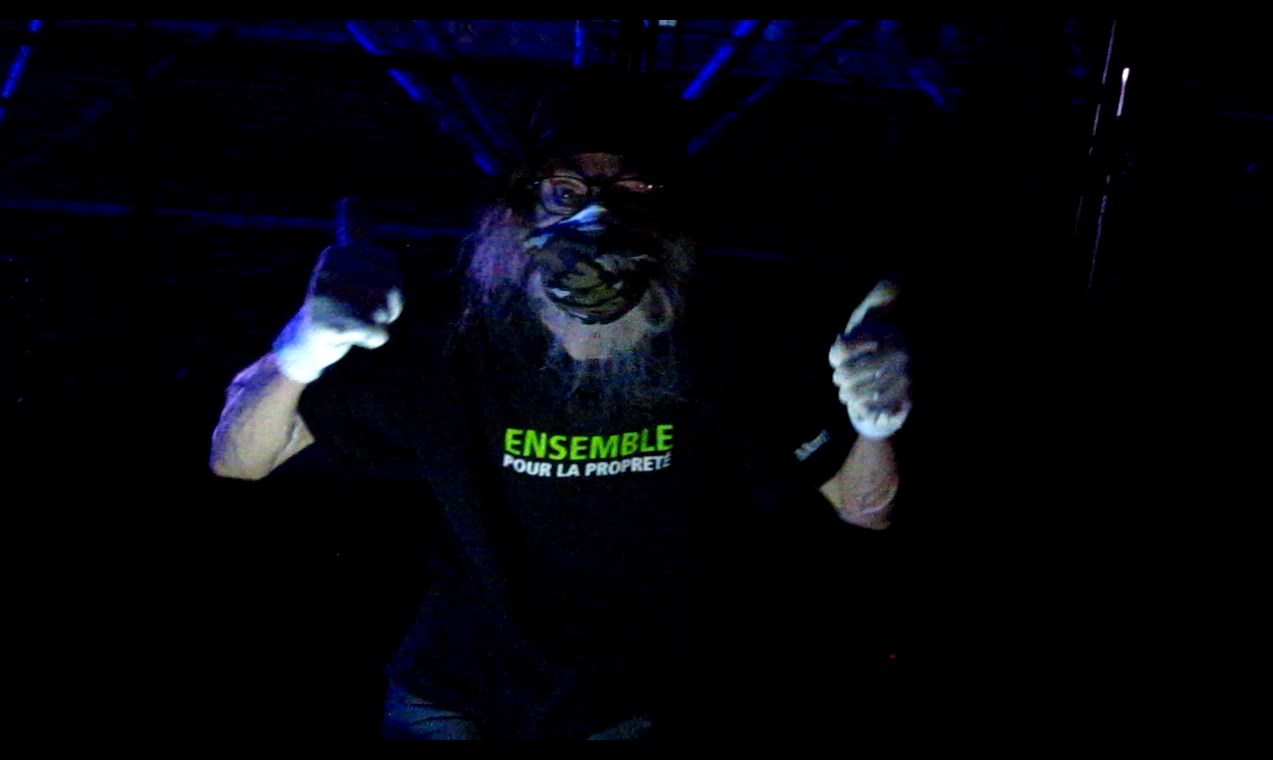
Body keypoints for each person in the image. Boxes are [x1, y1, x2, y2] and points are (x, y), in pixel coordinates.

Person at [209, 69, 912, 740]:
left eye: (635, 187)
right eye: (566, 189)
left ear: (671, 218)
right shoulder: (447, 337)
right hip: (452, 684)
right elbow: (240, 459)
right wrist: (296, 354)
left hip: (624, 697)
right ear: (520, 208)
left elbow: (862, 507)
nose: (597, 216)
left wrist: (874, 422)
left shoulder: (725, 349)